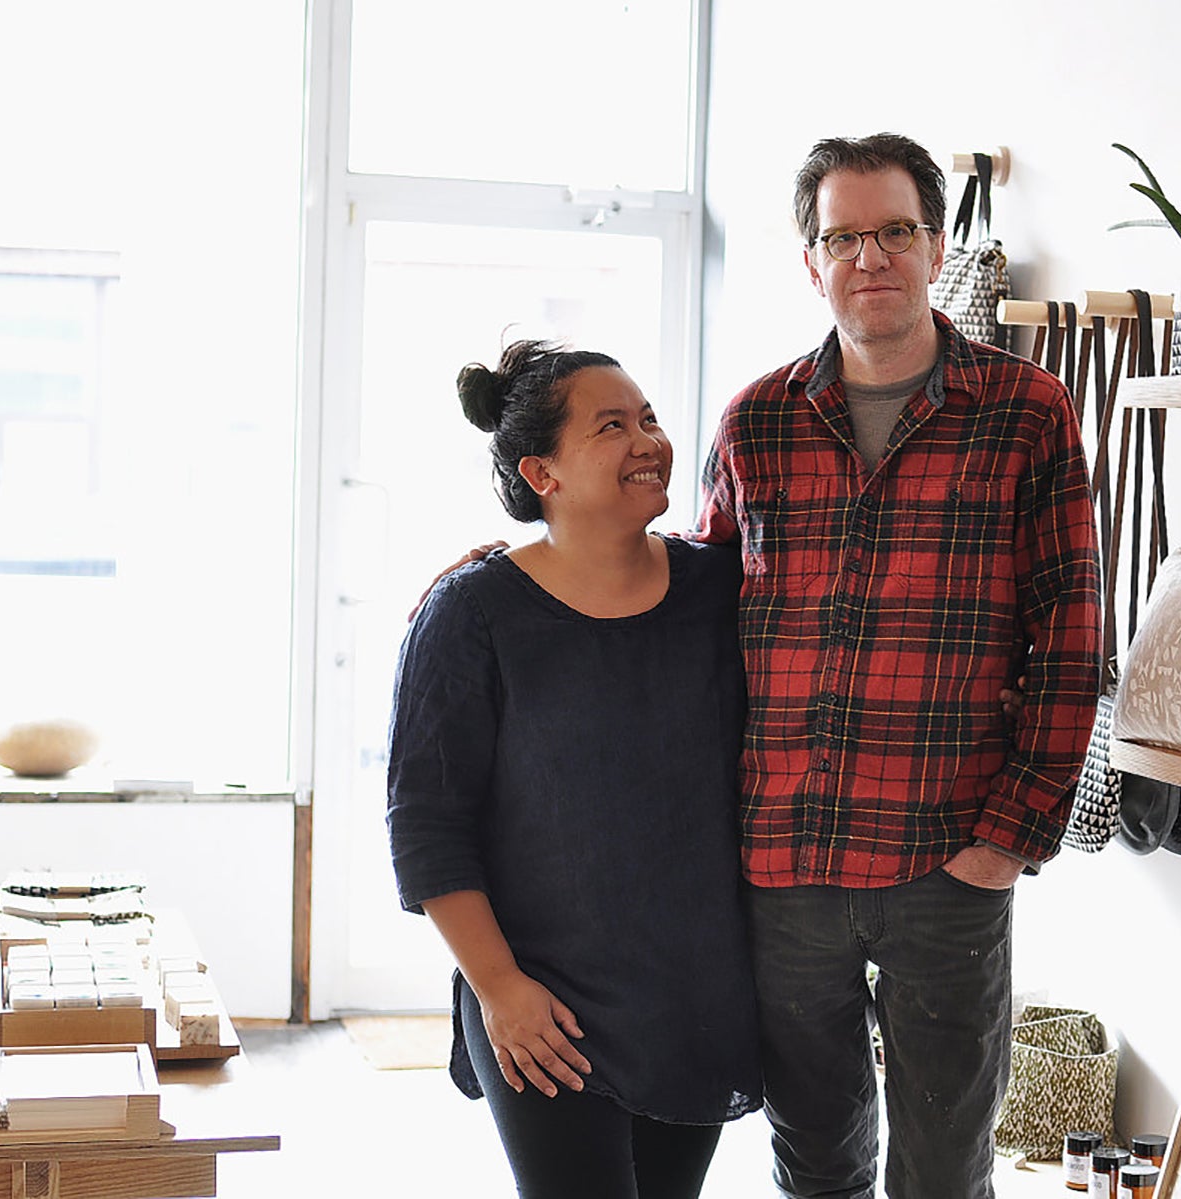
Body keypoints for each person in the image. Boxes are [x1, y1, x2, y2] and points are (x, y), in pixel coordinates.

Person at [692, 133, 1100, 1198]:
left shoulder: (1027, 412)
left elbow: (1071, 635)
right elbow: (689, 615)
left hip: (947, 860)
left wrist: (1008, 839)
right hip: (785, 863)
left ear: (935, 242)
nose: (870, 257)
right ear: (812, 258)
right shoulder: (755, 422)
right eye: (844, 237)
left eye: (895, 232)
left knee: (944, 1170)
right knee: (815, 1165)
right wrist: (523, 563)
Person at [386, 340, 763, 1199]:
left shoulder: (719, 590)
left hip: (693, 998)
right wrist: (499, 986)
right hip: (543, 1007)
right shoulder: (473, 613)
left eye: (650, 418)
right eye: (612, 426)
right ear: (542, 472)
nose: (649, 441)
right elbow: (426, 826)